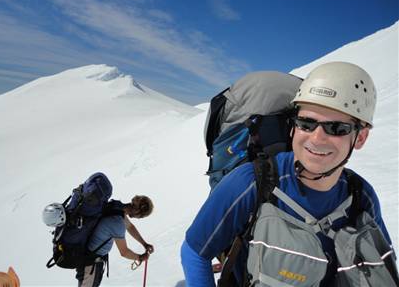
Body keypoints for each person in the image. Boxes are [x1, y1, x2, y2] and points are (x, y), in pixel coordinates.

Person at [181, 62, 396, 286]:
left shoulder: (361, 195)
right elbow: (195, 252)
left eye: (336, 128)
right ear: (293, 126)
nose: (316, 138)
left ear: (360, 137)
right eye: (306, 123)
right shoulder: (251, 183)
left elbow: (383, 264)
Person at [76, 195, 154, 287]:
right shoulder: (118, 222)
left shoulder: (117, 207)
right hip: (91, 263)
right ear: (138, 211)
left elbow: (130, 227)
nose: (139, 218)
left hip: (88, 257)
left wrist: (144, 244)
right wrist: (140, 258)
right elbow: (124, 252)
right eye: (141, 216)